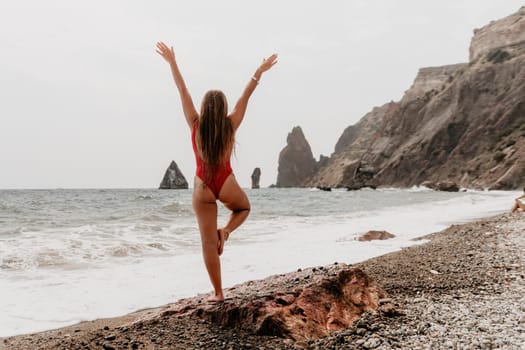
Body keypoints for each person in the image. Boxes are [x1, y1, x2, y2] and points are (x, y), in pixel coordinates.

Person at [156, 42, 277, 302]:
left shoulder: (194, 123)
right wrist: (260, 70)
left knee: (208, 243)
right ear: (223, 107)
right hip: (226, 182)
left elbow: (182, 89)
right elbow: (246, 95)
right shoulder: (230, 124)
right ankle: (227, 231)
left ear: (204, 107)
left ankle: (219, 293)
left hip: (202, 186)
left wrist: (172, 63)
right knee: (244, 209)